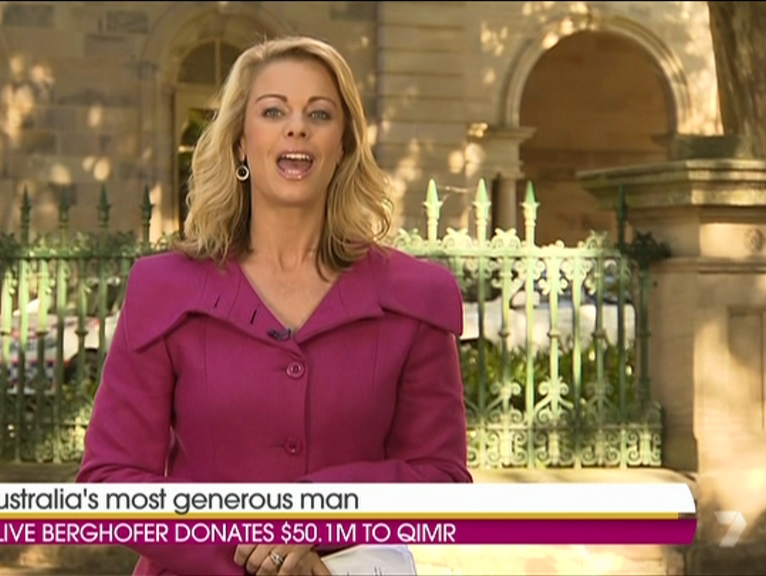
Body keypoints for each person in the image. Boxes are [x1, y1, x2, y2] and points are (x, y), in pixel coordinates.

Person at [77, 35, 471, 576]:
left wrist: (310, 516)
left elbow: (441, 481)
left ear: (344, 145)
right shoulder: (164, 289)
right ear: (241, 143)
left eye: (319, 113)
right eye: (273, 111)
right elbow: (109, 487)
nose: (296, 127)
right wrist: (257, 549)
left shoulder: (414, 297)